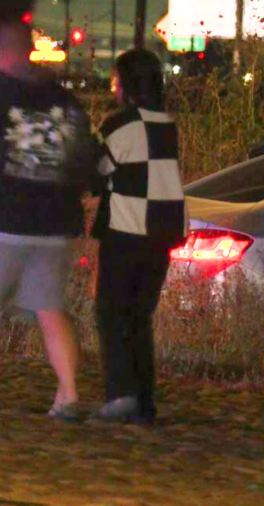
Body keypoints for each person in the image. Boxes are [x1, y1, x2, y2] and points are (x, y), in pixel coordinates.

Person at [0, 0, 99, 422]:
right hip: (56, 227)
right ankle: (69, 395)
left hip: (6, 222)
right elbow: (87, 160)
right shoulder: (66, 101)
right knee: (49, 309)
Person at [91, 49, 188, 427]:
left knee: (112, 312)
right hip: (163, 234)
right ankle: (144, 402)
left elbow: (95, 175)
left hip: (126, 229)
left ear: (126, 84)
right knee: (139, 318)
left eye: (115, 80)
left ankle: (120, 396)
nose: (112, 88)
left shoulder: (119, 126)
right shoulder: (169, 124)